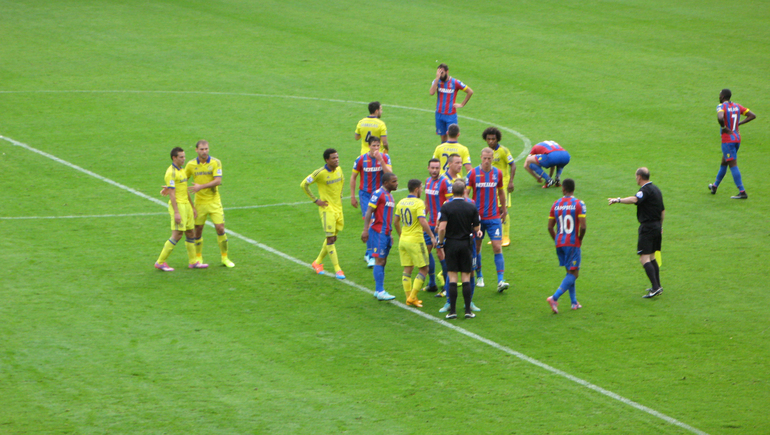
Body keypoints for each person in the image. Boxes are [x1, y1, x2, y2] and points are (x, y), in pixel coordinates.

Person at [608, 167, 665, 298]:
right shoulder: (657, 189)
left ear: (639, 177)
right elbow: (662, 211)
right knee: (652, 257)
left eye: (636, 176)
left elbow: (635, 199)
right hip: (657, 226)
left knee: (644, 258)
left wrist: (618, 200)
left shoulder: (645, 190)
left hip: (648, 227)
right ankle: (658, 286)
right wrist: (660, 226)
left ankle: (655, 287)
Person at [155, 147, 208, 271]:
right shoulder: (171, 173)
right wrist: (177, 212)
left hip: (186, 206)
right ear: (174, 158)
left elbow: (184, 189)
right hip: (178, 205)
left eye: (184, 156)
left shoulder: (182, 170)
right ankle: (160, 262)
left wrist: (192, 207)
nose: (184, 159)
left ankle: (193, 262)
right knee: (177, 234)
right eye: (181, 157)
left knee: (190, 232)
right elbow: (172, 194)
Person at [184, 140, 235, 268]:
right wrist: (170, 187)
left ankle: (225, 257)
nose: (204, 151)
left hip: (214, 201)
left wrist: (201, 186)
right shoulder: (190, 165)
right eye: (201, 149)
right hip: (199, 203)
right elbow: (183, 179)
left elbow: (218, 181)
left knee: (220, 228)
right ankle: (199, 257)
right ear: (196, 150)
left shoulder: (215, 162)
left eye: (206, 149)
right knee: (198, 230)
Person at [435, 180, 482, 319]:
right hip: (466, 244)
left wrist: (441, 242)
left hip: (451, 244)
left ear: (452, 192)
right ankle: (468, 311)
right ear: (464, 191)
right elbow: (476, 228)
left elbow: (442, 228)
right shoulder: (471, 207)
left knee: (453, 277)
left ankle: (453, 311)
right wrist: (476, 231)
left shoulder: (446, 207)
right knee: (466, 277)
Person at [467, 148, 509, 293]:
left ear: (492, 158)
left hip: (494, 217)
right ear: (480, 157)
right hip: (477, 219)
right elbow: (466, 193)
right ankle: (479, 275)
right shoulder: (473, 173)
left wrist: (504, 208)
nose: (486, 161)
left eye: (489, 158)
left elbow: (501, 191)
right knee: (477, 247)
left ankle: (500, 280)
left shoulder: (498, 173)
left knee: (497, 247)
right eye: (484, 158)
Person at [300, 148, 346, 280]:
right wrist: (316, 200)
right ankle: (338, 269)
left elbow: (342, 180)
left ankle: (317, 262)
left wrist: (340, 196)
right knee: (330, 239)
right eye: (333, 158)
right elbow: (304, 185)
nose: (336, 159)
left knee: (333, 238)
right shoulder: (319, 173)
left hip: (338, 208)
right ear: (327, 160)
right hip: (327, 210)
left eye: (337, 157)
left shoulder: (339, 170)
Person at [546, 179, 587, 314]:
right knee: (574, 273)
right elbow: (583, 226)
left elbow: (550, 227)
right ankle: (554, 298)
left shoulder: (556, 204)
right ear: (573, 189)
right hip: (572, 243)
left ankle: (574, 302)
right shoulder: (579, 204)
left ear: (563, 189)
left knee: (570, 271)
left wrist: (557, 240)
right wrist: (579, 239)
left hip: (560, 243)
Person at [351, 137, 393, 266]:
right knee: (369, 221)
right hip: (365, 194)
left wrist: (381, 160)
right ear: (369, 146)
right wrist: (352, 196)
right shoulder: (361, 159)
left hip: (380, 195)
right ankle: (370, 253)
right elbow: (353, 177)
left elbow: (390, 175)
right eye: (374, 145)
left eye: (378, 146)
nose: (376, 148)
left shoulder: (385, 158)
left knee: (379, 222)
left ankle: (373, 251)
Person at [394, 179, 436, 308]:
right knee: (424, 269)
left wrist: (401, 235)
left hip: (403, 240)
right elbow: (423, 221)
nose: (422, 190)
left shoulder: (401, 202)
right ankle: (412, 297)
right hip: (416, 240)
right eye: (421, 188)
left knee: (407, 269)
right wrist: (432, 236)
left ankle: (408, 298)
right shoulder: (419, 203)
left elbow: (395, 221)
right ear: (417, 189)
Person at [709, 89, 756, 199]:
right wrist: (739, 123)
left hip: (728, 140)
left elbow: (720, 117)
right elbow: (752, 115)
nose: (719, 96)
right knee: (724, 162)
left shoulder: (721, 106)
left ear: (722, 96)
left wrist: (723, 127)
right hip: (737, 139)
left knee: (732, 164)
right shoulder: (737, 106)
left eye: (720, 94)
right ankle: (715, 186)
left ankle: (742, 191)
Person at [362, 172, 399, 301]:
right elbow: (369, 211)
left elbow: (387, 217)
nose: (396, 183)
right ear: (385, 183)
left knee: (383, 261)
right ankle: (380, 290)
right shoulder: (378, 194)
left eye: (396, 181)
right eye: (393, 181)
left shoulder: (389, 196)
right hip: (378, 233)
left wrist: (390, 233)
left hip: (386, 233)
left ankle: (379, 290)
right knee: (379, 260)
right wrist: (365, 230)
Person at [483, 127, 516, 247]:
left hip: (504, 185)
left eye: (493, 139)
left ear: (497, 139)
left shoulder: (503, 151)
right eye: (488, 139)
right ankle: (497, 236)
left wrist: (511, 181)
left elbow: (513, 165)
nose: (491, 141)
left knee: (503, 210)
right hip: (492, 185)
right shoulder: (487, 153)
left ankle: (506, 237)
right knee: (494, 211)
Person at [422, 158, 451, 293]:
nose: (434, 170)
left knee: (441, 254)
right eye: (432, 168)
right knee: (425, 252)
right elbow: (427, 202)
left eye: (437, 168)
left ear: (440, 168)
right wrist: (422, 217)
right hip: (429, 225)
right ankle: (432, 283)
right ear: (428, 168)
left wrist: (442, 223)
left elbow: (450, 204)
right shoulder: (428, 181)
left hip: (441, 226)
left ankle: (446, 286)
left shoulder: (445, 182)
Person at [430, 64, 473, 143]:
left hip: (451, 116)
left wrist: (462, 104)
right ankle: (443, 154)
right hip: (439, 114)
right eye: (438, 73)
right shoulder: (437, 81)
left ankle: (453, 154)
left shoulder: (455, 82)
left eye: (442, 73)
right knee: (443, 138)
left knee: (452, 138)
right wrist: (437, 78)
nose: (440, 75)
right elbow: (431, 92)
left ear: (447, 72)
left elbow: (470, 91)